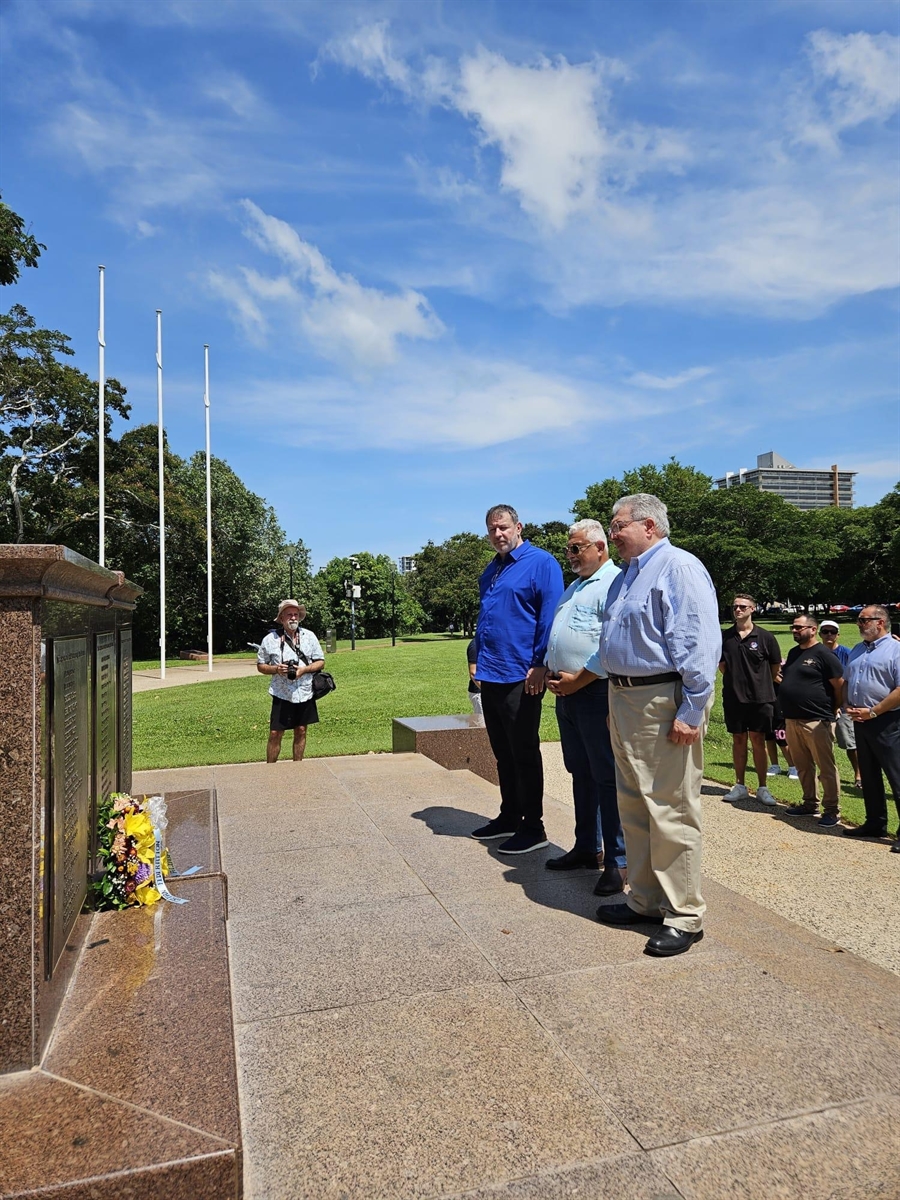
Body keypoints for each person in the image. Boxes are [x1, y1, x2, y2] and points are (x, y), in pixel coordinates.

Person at [593, 494, 720, 957]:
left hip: (661, 700)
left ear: (648, 525)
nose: (612, 534)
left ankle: (684, 915)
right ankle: (645, 899)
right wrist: (616, 697)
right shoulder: (625, 577)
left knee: (671, 808)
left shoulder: (678, 568)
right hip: (625, 698)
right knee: (635, 806)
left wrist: (691, 712)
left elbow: (699, 646)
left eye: (617, 525)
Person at [470, 505, 564, 854]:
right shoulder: (491, 570)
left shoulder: (541, 563)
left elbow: (549, 615)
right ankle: (509, 814)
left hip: (521, 673)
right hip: (491, 673)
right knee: (502, 752)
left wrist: (540, 662)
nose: (498, 535)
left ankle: (533, 825)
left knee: (523, 750)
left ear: (518, 527)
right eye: (492, 530)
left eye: (503, 528)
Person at [544, 519, 626, 894]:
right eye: (568, 549)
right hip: (569, 694)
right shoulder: (575, 586)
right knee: (581, 772)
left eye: (577, 548)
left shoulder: (614, 583)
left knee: (607, 777)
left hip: (595, 692)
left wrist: (579, 678)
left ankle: (617, 861)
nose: (571, 556)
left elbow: (612, 643)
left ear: (600, 548)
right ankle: (586, 846)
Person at [843, 605, 900, 850]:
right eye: (859, 620)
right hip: (860, 720)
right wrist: (847, 705)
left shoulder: (896, 650)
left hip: (888, 722)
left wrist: (874, 711)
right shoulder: (857, 650)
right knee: (869, 775)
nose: (859, 624)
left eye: (864, 620)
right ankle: (875, 823)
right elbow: (847, 680)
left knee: (897, 777)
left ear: (881, 622)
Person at [778, 614, 843, 825]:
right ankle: (809, 803)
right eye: (793, 627)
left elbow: (839, 685)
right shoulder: (794, 652)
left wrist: (833, 710)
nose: (795, 631)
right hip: (792, 719)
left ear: (813, 629)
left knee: (826, 767)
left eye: (799, 627)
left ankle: (832, 810)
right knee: (803, 765)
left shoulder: (824, 654)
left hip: (816, 720)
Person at [719, 594, 781, 807]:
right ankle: (740, 785)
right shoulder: (725, 637)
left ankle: (763, 787)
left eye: (743, 606)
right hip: (734, 698)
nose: (738, 610)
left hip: (761, 699)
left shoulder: (765, 637)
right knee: (738, 740)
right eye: (735, 606)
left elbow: (774, 668)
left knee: (758, 740)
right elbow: (723, 666)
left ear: (752, 609)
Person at [257, 600, 325, 763]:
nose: (293, 618)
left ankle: (298, 768)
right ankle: (270, 768)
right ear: (281, 618)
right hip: (281, 693)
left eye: (296, 614)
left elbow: (320, 662)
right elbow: (260, 665)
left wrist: (304, 670)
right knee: (275, 733)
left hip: (305, 691)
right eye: (289, 614)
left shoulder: (309, 636)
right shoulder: (270, 639)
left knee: (301, 730)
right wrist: (276, 669)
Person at [819, 619, 862, 788]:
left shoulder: (847, 653)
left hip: (843, 703)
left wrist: (843, 704)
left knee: (850, 742)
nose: (829, 635)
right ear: (819, 633)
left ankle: (859, 775)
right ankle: (826, 774)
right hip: (820, 703)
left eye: (833, 632)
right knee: (822, 743)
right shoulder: (815, 652)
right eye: (825, 631)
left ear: (838, 634)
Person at [466, 638, 484, 724]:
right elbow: (473, 673)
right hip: (479, 692)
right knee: (482, 724)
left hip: (490, 691)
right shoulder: (475, 645)